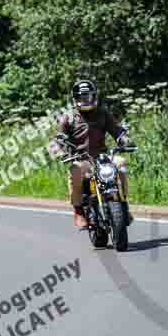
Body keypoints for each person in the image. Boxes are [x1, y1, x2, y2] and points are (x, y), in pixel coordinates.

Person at [49, 80, 133, 228]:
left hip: (103, 157)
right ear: (75, 99)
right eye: (82, 97)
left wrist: (125, 140)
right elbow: (57, 140)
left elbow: (117, 131)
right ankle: (78, 211)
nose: (85, 100)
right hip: (81, 159)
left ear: (94, 96)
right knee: (75, 171)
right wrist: (59, 151)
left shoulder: (102, 113)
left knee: (121, 164)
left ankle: (124, 204)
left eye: (88, 96)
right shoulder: (68, 118)